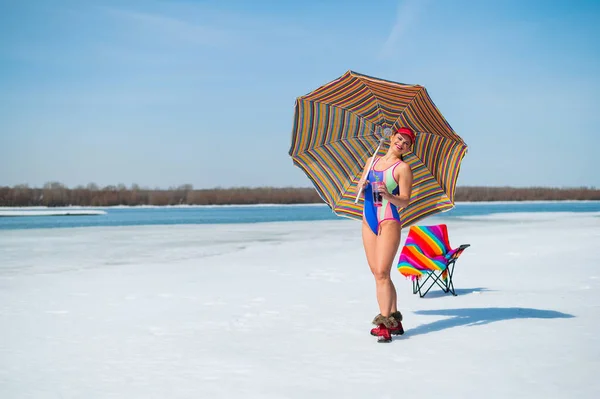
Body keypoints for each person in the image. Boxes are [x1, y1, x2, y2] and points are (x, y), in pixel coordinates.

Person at [358, 126, 415, 343]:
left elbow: (406, 200)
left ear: (408, 149)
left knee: (382, 272)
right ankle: (395, 320)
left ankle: (384, 325)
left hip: (388, 219)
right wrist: (362, 187)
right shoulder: (371, 161)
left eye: (406, 143)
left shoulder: (403, 168)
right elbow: (360, 191)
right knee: (379, 273)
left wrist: (389, 195)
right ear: (392, 138)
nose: (401, 143)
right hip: (368, 219)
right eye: (399, 138)